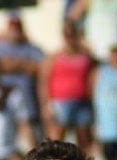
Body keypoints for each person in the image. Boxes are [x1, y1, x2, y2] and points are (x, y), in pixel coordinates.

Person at [0, 10, 47, 144]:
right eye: (12, 26)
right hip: (7, 111)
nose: (15, 30)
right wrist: (25, 65)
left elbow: (42, 68)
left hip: (30, 108)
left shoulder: (32, 48)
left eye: (17, 26)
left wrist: (12, 64)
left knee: (35, 148)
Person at [40, 21, 97, 152]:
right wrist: (46, 105)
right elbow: (44, 80)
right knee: (57, 141)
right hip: (61, 103)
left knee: (84, 139)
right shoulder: (55, 57)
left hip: (82, 101)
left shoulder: (85, 56)